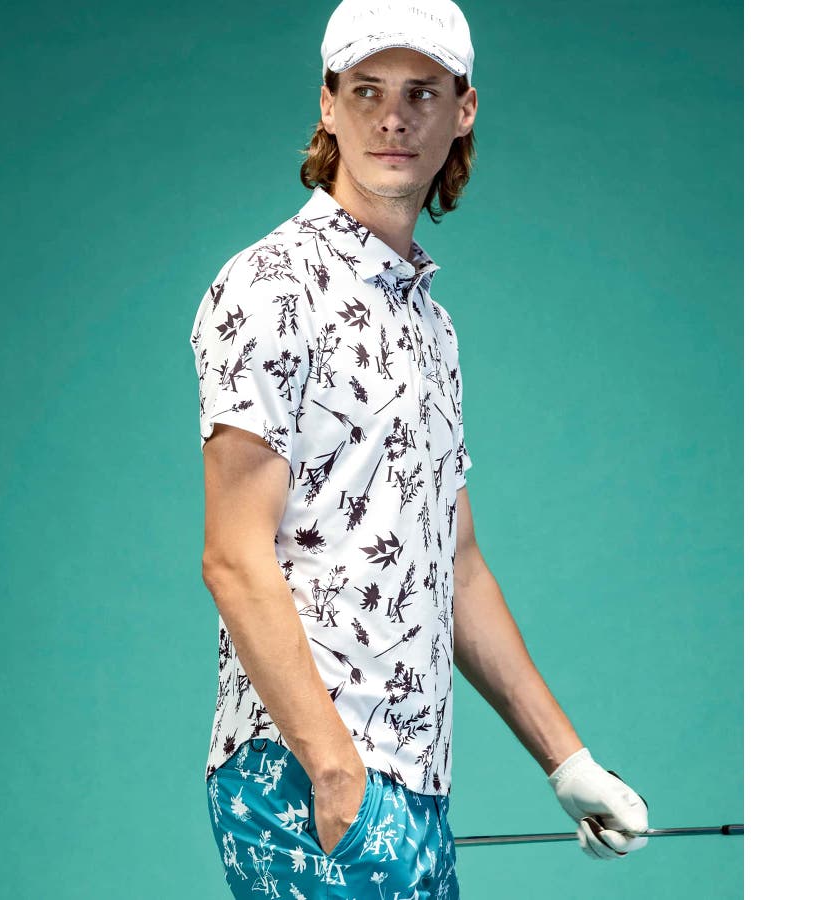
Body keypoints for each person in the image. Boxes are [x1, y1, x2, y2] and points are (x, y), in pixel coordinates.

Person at [190, 1, 649, 896]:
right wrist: (335, 776)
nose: (392, 118)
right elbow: (234, 558)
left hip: (414, 782)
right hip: (303, 773)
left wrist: (568, 764)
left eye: (420, 93)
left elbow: (457, 565)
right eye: (367, 91)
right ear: (328, 104)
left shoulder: (430, 326)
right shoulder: (271, 287)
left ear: (463, 110)